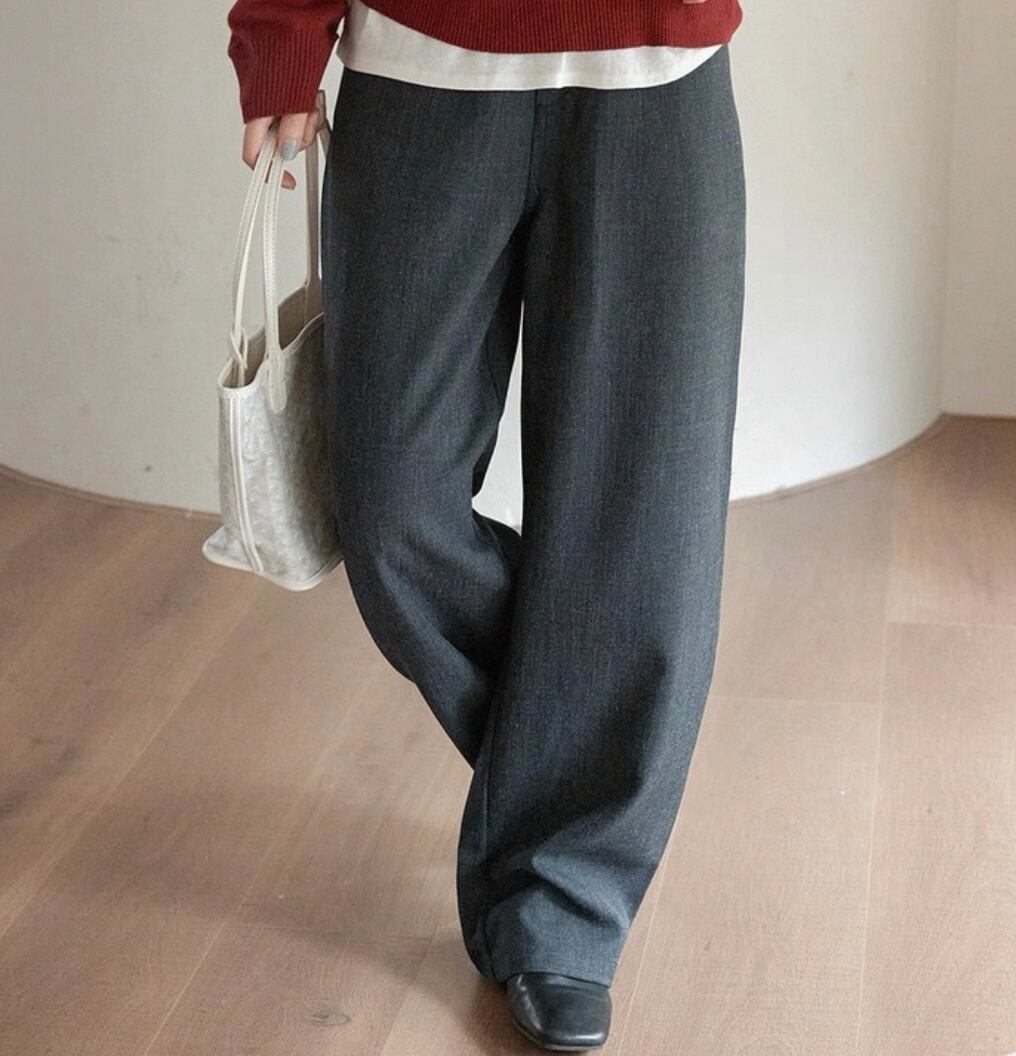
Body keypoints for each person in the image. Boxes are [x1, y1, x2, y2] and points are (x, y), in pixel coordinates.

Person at [226, 1, 746, 1049]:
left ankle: (566, 913)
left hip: (658, 77)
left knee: (640, 521)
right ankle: (575, 780)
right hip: (421, 71)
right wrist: (282, 30)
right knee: (391, 512)